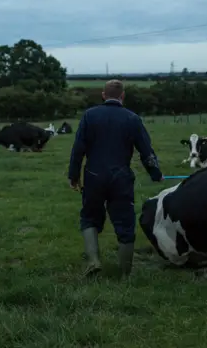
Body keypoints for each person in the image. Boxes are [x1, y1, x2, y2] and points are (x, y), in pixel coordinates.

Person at [67, 79, 164, 278]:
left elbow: (78, 150)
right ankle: (125, 272)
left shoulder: (89, 116)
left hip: (93, 176)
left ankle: (94, 261)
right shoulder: (132, 118)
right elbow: (146, 152)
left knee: (89, 217)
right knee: (125, 223)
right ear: (122, 96)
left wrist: (74, 176)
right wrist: (156, 174)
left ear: (104, 95)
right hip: (121, 178)